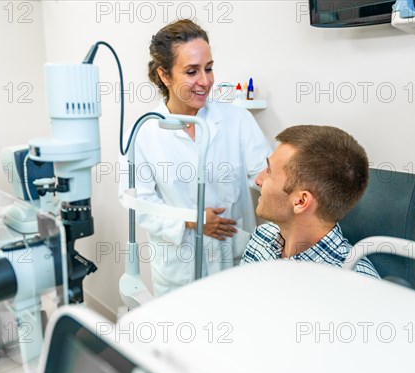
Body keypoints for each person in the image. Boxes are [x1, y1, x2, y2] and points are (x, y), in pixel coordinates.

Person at [121, 19, 272, 296]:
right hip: (180, 267)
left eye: (209, 68)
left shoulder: (237, 120)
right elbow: (139, 203)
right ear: (165, 75)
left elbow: (266, 177)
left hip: (234, 258)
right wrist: (193, 219)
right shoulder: (143, 132)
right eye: (192, 71)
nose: (205, 81)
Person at [240, 125, 380, 278]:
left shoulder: (356, 281)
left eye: (269, 171)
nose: (258, 180)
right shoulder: (262, 237)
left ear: (300, 201)